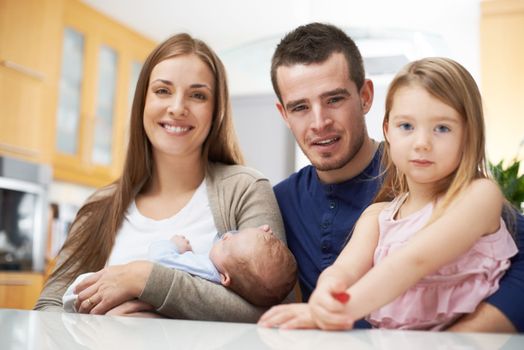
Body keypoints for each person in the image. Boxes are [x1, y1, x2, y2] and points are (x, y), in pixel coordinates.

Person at [258, 23, 524, 332]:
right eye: (300, 107)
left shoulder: (469, 192)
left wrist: (462, 339)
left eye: (334, 99)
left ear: (366, 97)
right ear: (284, 114)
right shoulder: (365, 212)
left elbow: (415, 260)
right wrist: (325, 297)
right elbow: (340, 271)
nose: (320, 122)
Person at [35, 33, 287, 322]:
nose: (178, 107)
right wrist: (98, 327)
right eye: (163, 91)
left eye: (198, 95)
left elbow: (274, 311)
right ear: (143, 100)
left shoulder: (244, 190)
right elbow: (46, 310)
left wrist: (144, 278)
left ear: (216, 111)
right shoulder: (100, 206)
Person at [62, 225, 297, 311]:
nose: (225, 236)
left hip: (87, 289)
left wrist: (173, 245)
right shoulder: (227, 277)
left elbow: (159, 259)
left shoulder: (204, 269)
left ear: (225, 278)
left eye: (228, 243)